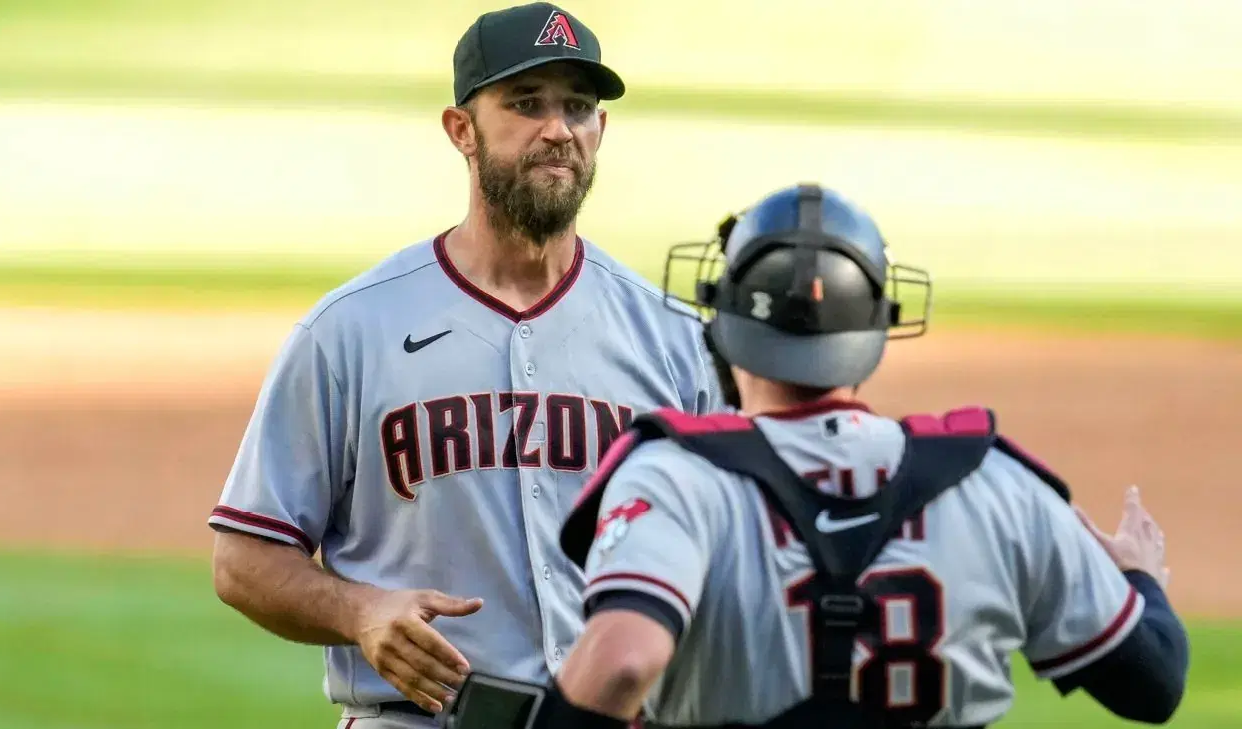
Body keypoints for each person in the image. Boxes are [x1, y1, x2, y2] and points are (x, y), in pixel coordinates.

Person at [440, 183, 1189, 729]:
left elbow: (624, 661)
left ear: (724, 326)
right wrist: (1139, 581)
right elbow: (1153, 681)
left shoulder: (677, 478)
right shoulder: (997, 481)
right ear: (877, 328)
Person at [205, 4, 722, 728]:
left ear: (601, 129)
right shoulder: (351, 329)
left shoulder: (674, 338)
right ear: (461, 129)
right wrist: (359, 611)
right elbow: (244, 557)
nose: (558, 129)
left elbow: (740, 555)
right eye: (526, 103)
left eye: (578, 107)